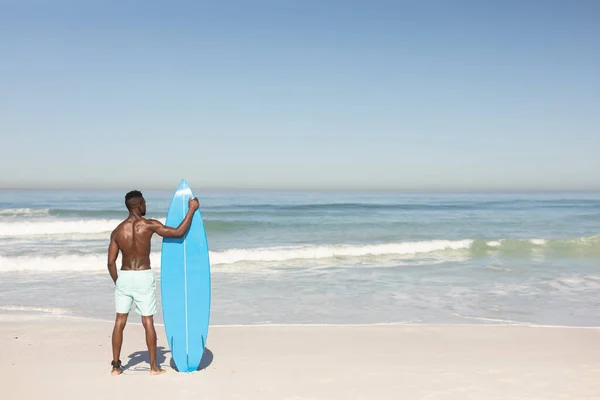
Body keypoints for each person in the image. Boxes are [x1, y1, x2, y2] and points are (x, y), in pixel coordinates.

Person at [107, 190, 199, 376]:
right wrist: (192, 210)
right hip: (143, 275)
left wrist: (119, 281)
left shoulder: (118, 230)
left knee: (119, 321)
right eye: (144, 202)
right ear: (139, 205)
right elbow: (179, 233)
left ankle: (116, 367)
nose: (146, 204)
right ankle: (154, 367)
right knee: (147, 321)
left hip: (124, 276)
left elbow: (110, 262)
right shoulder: (148, 225)